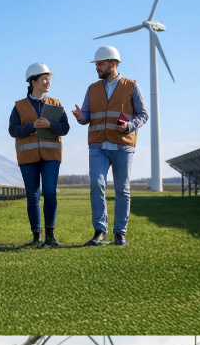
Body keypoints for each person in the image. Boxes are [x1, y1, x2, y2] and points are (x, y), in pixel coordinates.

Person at [71, 46, 148, 246]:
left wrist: (129, 126)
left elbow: (143, 115)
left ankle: (120, 233)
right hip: (98, 146)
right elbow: (87, 117)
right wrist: (81, 117)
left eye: (100, 64)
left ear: (113, 64)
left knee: (122, 189)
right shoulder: (92, 89)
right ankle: (100, 230)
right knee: (97, 184)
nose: (96, 67)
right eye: (96, 64)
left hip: (123, 147)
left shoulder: (131, 86)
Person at [9, 62, 70, 248]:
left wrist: (49, 126)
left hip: (51, 156)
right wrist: (33, 126)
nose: (48, 82)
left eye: (49, 79)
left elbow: (65, 128)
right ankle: (37, 237)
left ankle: (50, 235)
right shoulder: (19, 106)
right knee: (32, 195)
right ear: (33, 81)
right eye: (44, 79)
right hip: (27, 158)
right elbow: (13, 130)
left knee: (50, 192)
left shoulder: (56, 104)